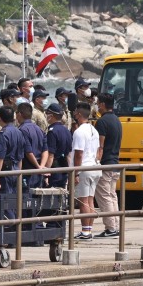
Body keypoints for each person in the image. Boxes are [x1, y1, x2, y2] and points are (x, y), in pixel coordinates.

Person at [71, 103, 101, 239]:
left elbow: (78, 154)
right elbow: (99, 149)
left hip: (84, 168)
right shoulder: (94, 130)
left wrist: (76, 172)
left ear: (78, 115)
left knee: (83, 201)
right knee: (90, 200)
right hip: (95, 166)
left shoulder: (79, 132)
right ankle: (89, 229)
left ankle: (85, 231)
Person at [94, 93, 122, 237]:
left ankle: (111, 228)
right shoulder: (117, 120)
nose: (97, 105)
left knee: (104, 197)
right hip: (115, 162)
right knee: (112, 195)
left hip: (105, 164)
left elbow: (101, 146)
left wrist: (96, 162)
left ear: (103, 104)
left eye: (98, 103)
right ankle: (115, 225)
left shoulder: (102, 122)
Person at [0, 105, 25, 220]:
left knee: (4, 203)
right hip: (16, 171)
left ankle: (10, 228)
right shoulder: (19, 132)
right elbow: (21, 157)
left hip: (5, 173)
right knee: (13, 202)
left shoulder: (3, 134)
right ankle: (16, 228)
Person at [16, 102, 49, 189]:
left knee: (25, 198)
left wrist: (38, 167)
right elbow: (45, 150)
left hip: (28, 169)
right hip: (39, 169)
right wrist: (41, 166)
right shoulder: (39, 129)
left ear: (19, 114)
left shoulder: (22, 130)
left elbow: (28, 152)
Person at [44, 103, 72, 188]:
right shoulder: (66, 130)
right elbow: (69, 155)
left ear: (51, 115)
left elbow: (50, 156)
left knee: (51, 198)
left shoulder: (52, 131)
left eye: (47, 114)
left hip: (54, 170)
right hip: (64, 170)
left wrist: (46, 174)